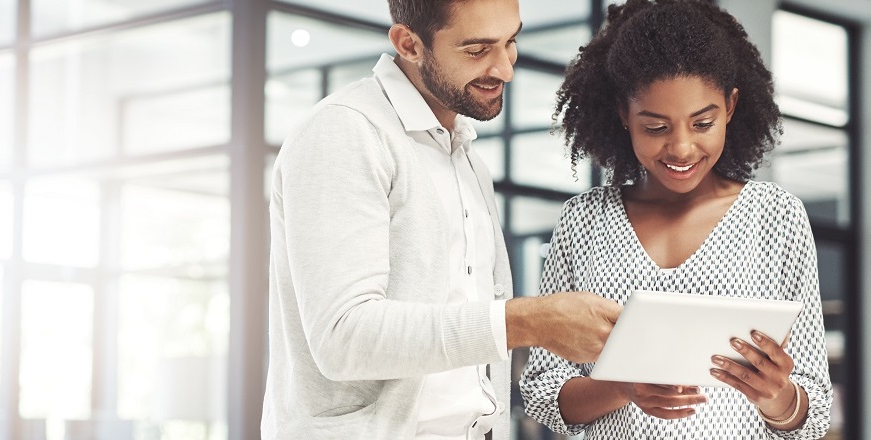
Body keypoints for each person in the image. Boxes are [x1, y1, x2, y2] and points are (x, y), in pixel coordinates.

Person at [262, 0, 624, 439]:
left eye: (511, 42)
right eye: (477, 50)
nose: (505, 69)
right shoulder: (345, 133)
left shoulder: (467, 161)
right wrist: (527, 321)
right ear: (408, 43)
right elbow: (343, 338)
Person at [519, 0, 832, 438]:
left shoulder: (776, 217)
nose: (682, 149)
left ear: (731, 106)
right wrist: (624, 387)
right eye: (656, 127)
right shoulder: (583, 221)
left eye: (702, 123)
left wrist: (777, 397)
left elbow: (813, 411)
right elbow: (541, 392)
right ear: (623, 115)